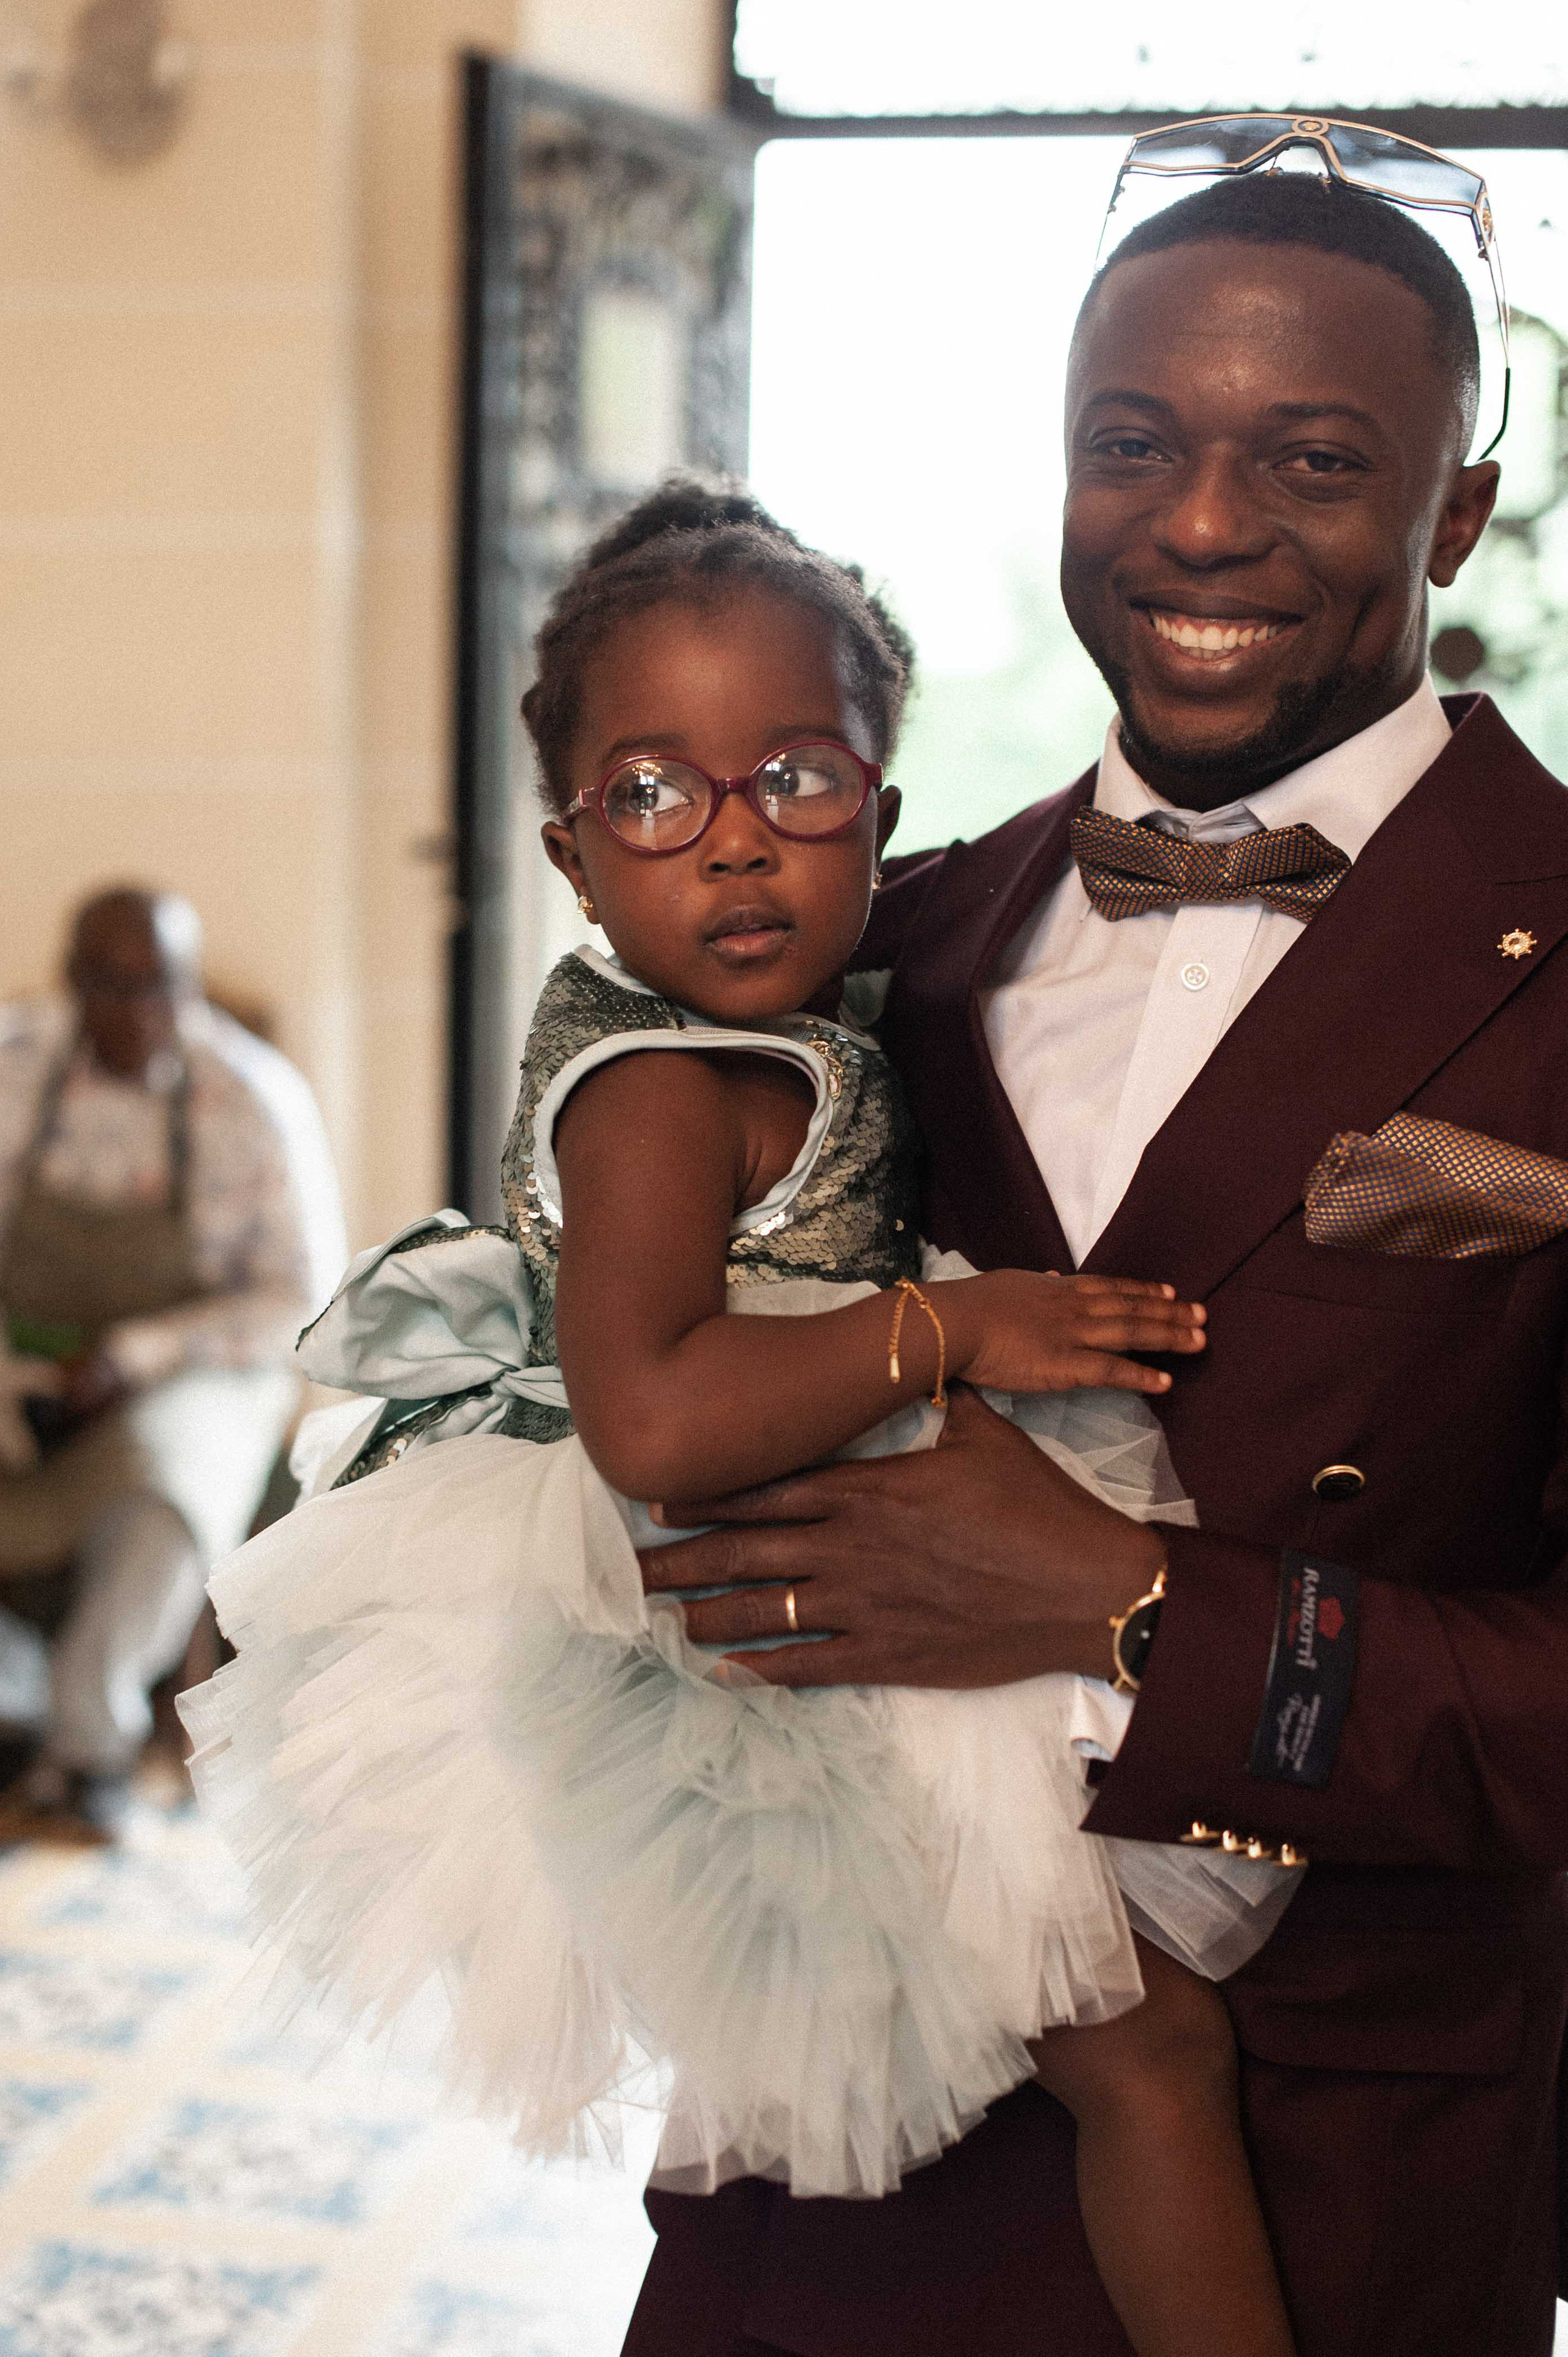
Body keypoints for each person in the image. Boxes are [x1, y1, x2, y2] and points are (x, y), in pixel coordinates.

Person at [182, 482, 1310, 2357]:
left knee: (1113, 2067)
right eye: (652, 796)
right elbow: (650, 1415)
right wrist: (951, 1328)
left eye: (796, 780)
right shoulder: (656, 1095)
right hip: (768, 1651)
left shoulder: (791, 1032)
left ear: (883, 807)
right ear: (571, 855)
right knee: (1151, 2059)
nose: (731, 844)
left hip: (838, 1583)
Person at [617, 165, 1568, 2357]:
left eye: (1312, 461)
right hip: (832, 2141)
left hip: (1320, 2165)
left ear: (1455, 513)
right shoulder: (888, 947)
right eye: (1133, 442)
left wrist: (1137, 1611)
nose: (1200, 524)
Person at [0, 887, 344, 1841]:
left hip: (197, 1366)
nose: (140, 1013)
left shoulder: (251, 1096)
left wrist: (133, 1358)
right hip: (28, 1355)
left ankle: (88, 1748)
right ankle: (15, 1705)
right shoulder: (15, 1066)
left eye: (161, 988)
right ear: (72, 981)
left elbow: (300, 1300)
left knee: (168, 1488)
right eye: (112, 988)